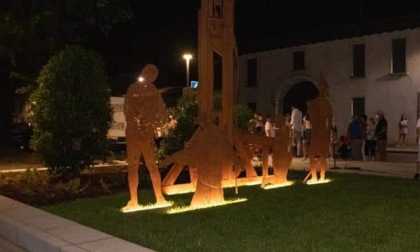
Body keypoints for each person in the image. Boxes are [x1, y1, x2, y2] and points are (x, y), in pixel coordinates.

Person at [123, 64, 169, 211]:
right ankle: (134, 200)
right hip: (134, 133)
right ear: (145, 73)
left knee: (152, 165)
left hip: (146, 134)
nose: (152, 78)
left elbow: (161, 112)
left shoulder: (154, 91)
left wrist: (155, 124)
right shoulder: (133, 89)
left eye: (154, 76)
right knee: (133, 166)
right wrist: (140, 122)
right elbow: (127, 110)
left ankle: (159, 197)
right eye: (151, 75)